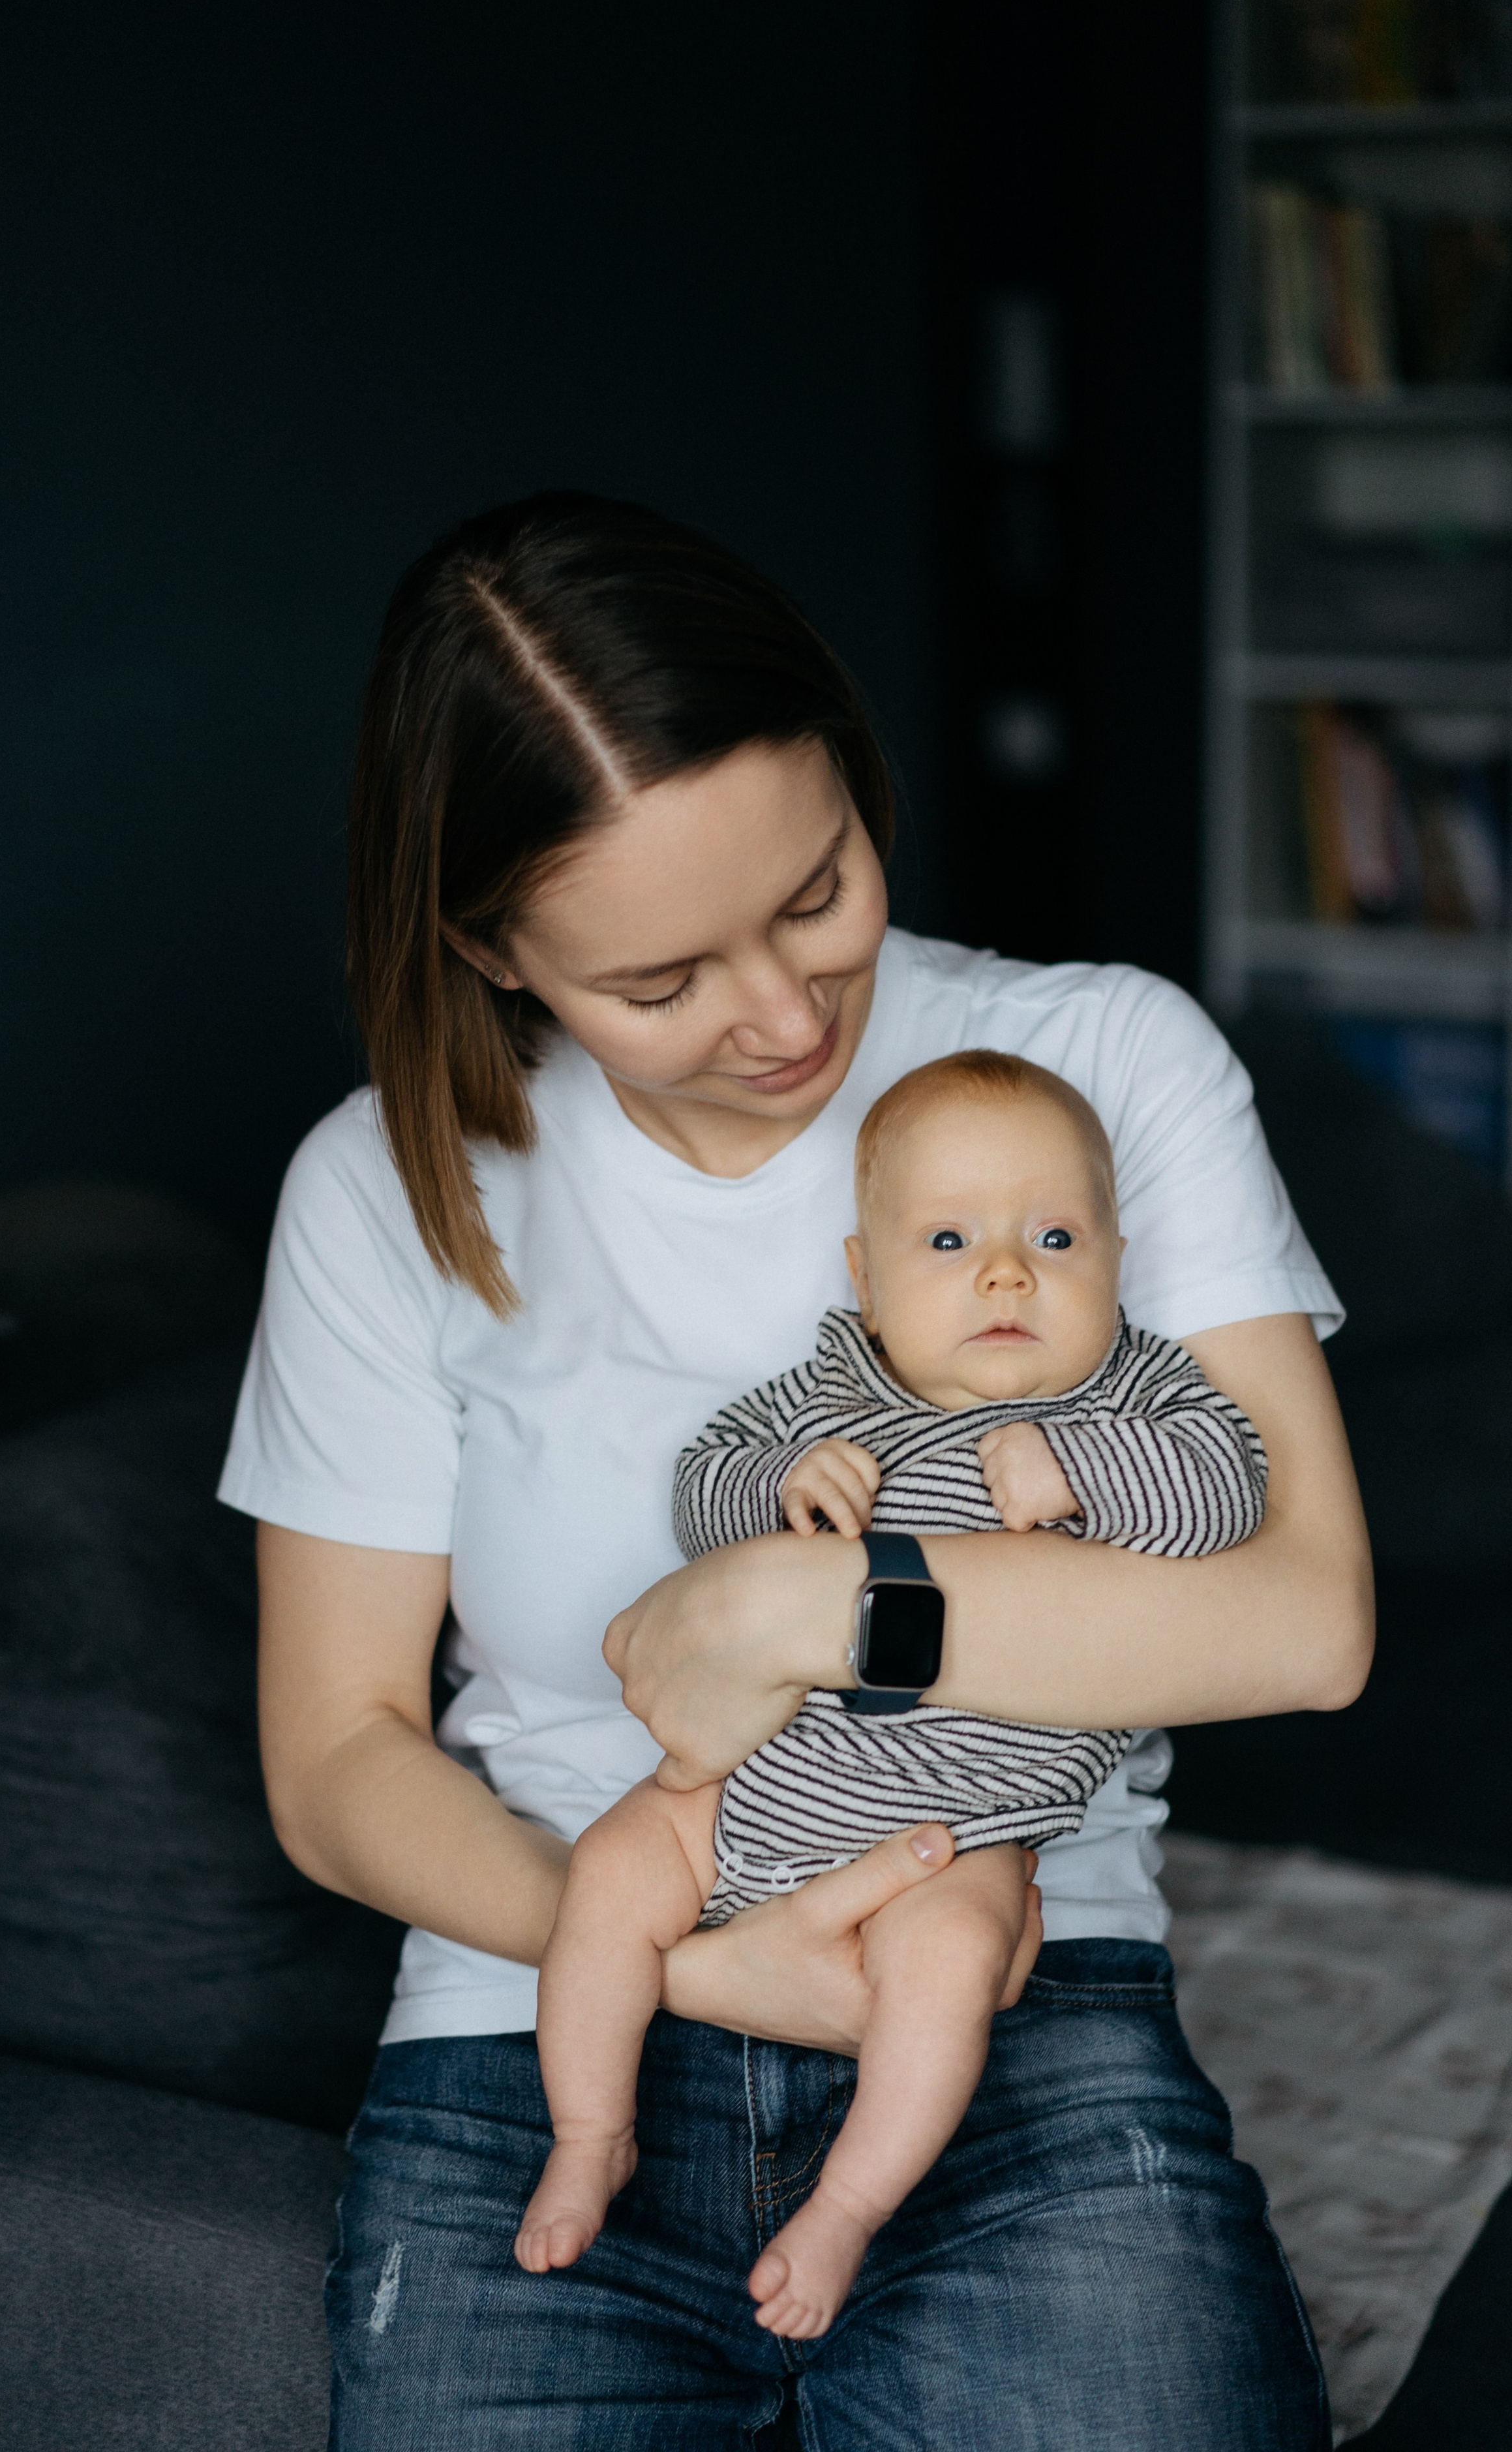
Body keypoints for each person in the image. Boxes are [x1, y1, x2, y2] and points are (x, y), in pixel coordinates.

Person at [221, 491, 1370, 2450]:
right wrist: (684, 1956)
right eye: (659, 985)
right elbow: (336, 1765)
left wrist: (805, 1601)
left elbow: (1301, 1619)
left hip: (1011, 1977)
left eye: (817, 889)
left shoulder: (1100, 1063)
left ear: (850, 762)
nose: (781, 1019)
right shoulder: (381, 1190)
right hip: (537, 2004)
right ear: (492, 946)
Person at [515, 1048, 1271, 2344]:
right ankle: (590, 2134)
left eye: (1051, 1236)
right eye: (945, 1239)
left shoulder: (1133, 1394)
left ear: (1114, 1260)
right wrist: (778, 1486)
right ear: (863, 1281)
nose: (1003, 1272)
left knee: (953, 1966)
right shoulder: (833, 1393)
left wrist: (1080, 1466)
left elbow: (1229, 1490)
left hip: (959, 1835)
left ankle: (848, 2207)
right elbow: (703, 1481)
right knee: (606, 1875)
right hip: (754, 1779)